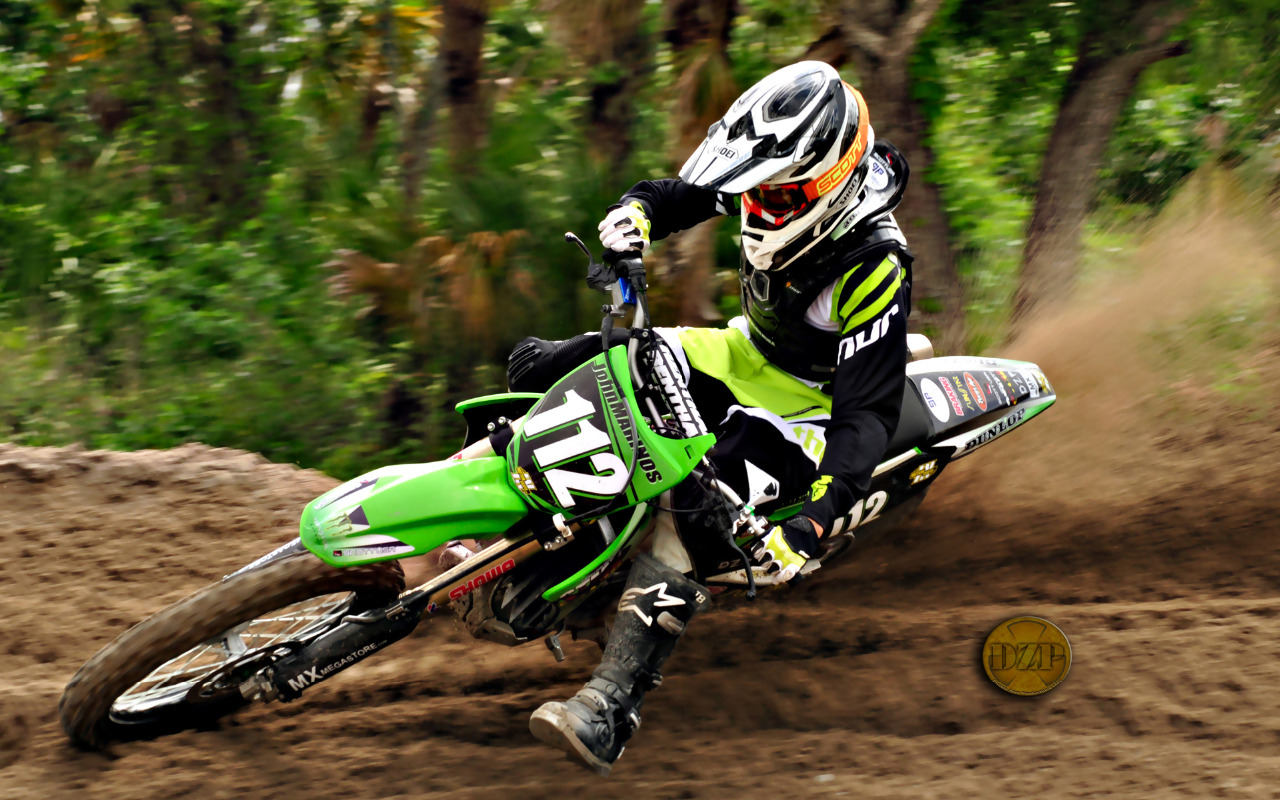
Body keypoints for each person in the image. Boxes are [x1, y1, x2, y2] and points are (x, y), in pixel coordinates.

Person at [514, 61, 913, 774]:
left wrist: (811, 525)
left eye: (777, 193)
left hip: (809, 406)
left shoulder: (875, 263)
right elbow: (680, 194)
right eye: (755, 189)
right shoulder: (778, 184)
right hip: (740, 350)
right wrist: (635, 214)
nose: (759, 204)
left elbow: (866, 417)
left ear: (828, 184)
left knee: (696, 506)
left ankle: (611, 708)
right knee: (546, 365)